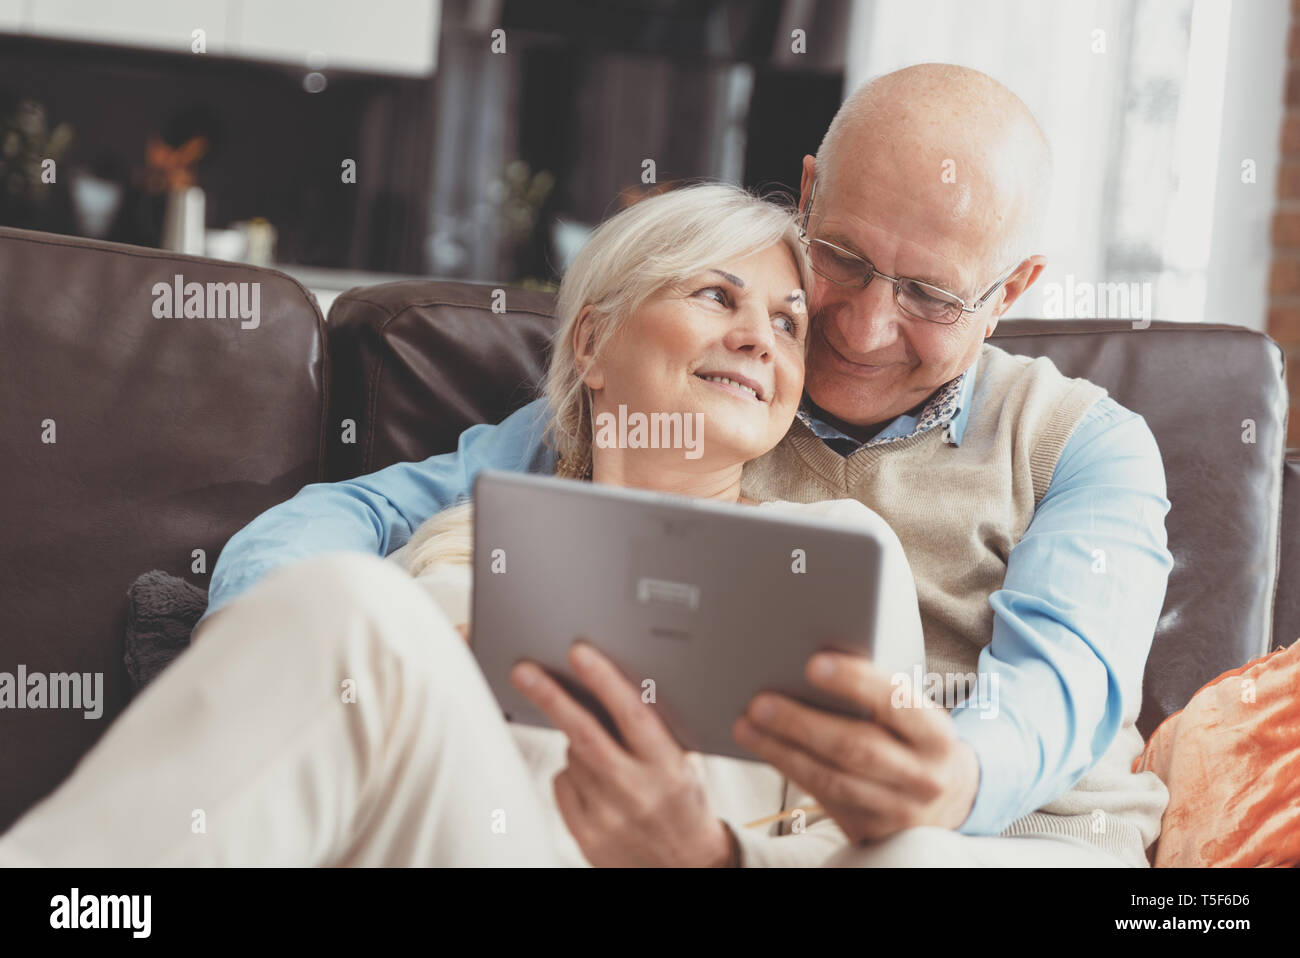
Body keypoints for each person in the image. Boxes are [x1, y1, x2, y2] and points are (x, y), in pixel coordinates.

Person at [192, 62, 1175, 869]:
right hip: (732, 836)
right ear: (808, 197)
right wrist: (271, 651)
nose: (865, 330)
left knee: (904, 858)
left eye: (928, 294)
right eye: (839, 258)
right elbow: (357, 520)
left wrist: (951, 775)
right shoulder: (682, 404)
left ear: (1011, 290)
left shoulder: (1087, 442)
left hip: (1019, 838)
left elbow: (1066, 683)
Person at [0, 183, 932, 867]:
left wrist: (705, 852)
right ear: (593, 344)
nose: (759, 339)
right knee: (343, 601)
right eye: (716, 296)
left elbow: (875, 840)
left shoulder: (840, 554)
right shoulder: (452, 545)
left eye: (788, 323)